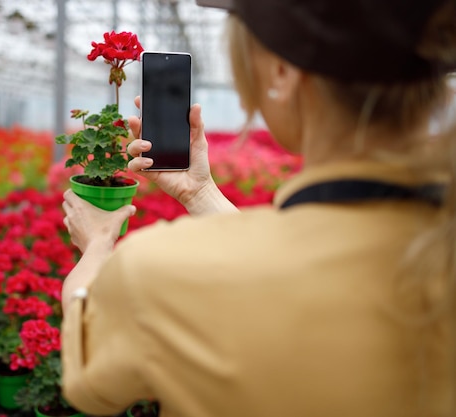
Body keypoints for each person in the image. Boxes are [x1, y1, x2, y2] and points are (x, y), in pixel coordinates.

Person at [59, 0, 456, 416]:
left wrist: (97, 250)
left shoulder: (160, 273)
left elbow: (89, 384)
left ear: (282, 73)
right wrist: (200, 194)